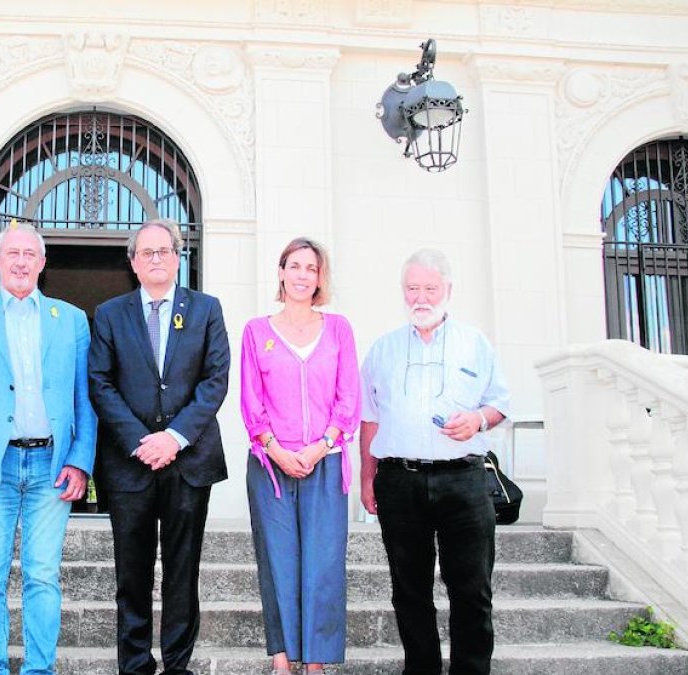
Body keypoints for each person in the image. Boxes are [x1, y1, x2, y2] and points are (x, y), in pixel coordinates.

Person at [0, 222, 96, 675]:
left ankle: (38, 669)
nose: (22, 262)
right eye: (13, 253)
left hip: (52, 464)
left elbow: (84, 400)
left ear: (43, 264)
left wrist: (80, 461)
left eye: (31, 254)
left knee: (43, 576)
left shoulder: (71, 320)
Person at [88, 219, 230, 675]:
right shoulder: (110, 313)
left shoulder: (206, 309)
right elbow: (100, 382)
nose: (155, 259)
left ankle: (177, 665)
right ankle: (134, 665)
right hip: (130, 465)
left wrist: (174, 437)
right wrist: (140, 440)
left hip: (189, 462)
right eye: (146, 252)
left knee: (182, 573)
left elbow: (214, 380)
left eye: (163, 251)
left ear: (177, 257)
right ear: (132, 261)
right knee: (131, 575)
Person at [359, 248, 510, 675]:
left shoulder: (475, 343)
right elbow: (369, 420)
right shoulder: (382, 349)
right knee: (409, 590)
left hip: (463, 480)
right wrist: (367, 479)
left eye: (429, 288)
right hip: (399, 481)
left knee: (472, 589)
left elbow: (499, 405)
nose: (420, 298)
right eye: (412, 288)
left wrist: (478, 418)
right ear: (402, 292)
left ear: (448, 290)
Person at [239, 238, 359, 675]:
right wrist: (276, 449)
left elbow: (349, 398)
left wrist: (320, 446)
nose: (304, 274)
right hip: (271, 465)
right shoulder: (256, 331)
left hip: (324, 463)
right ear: (282, 272)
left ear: (319, 277)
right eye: (296, 266)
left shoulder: (339, 329)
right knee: (278, 561)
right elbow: (252, 403)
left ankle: (316, 662)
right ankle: (283, 658)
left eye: (312, 267)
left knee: (323, 563)